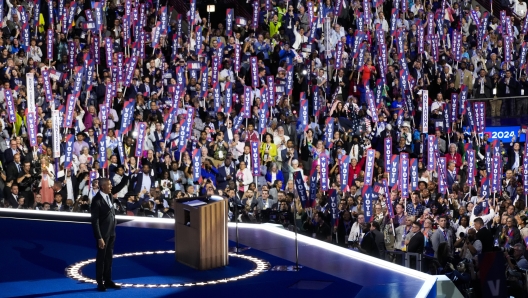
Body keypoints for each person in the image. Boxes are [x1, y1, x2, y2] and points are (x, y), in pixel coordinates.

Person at [90, 178, 121, 292]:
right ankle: (100, 282)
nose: (111, 186)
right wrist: (99, 237)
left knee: (109, 258)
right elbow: (95, 221)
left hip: (112, 232)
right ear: (103, 186)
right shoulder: (96, 200)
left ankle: (108, 280)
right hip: (103, 234)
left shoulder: (110, 196)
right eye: (109, 185)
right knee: (101, 258)